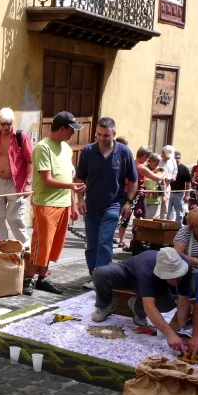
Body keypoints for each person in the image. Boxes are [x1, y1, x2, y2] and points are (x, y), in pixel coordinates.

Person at [24, 111, 85, 295]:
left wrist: (72, 203)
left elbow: (68, 176)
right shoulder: (43, 148)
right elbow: (47, 180)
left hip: (64, 203)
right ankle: (28, 279)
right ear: (62, 128)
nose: (73, 134)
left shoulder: (66, 149)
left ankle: (43, 278)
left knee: (53, 245)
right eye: (71, 130)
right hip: (46, 203)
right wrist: (71, 186)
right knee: (40, 243)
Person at [91, 248, 192, 352]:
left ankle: (137, 307)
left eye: (179, 277)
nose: (176, 281)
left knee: (167, 305)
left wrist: (183, 333)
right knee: (100, 273)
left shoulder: (186, 267)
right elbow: (149, 306)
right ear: (161, 272)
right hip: (129, 274)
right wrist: (170, 335)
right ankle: (105, 305)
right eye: (173, 277)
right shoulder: (147, 269)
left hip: (156, 284)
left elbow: (183, 301)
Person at [76, 117, 138, 286]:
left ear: (114, 134)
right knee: (92, 245)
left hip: (114, 204)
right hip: (92, 204)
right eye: (99, 135)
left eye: (106, 135)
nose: (102, 139)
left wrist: (128, 202)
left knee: (105, 241)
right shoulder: (88, 151)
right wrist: (80, 200)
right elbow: (80, 177)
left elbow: (133, 179)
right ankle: (94, 276)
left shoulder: (124, 152)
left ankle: (101, 279)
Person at [0, 107, 34, 247]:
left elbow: (31, 161)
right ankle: (2, 248)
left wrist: (28, 183)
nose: (6, 127)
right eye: (3, 124)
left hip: (16, 183)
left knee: (14, 219)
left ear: (13, 122)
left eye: (9, 124)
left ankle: (25, 248)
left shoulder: (21, 136)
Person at [116, 146, 163, 248]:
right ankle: (141, 239)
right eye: (147, 158)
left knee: (125, 217)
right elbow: (158, 178)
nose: (147, 161)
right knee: (143, 216)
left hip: (126, 192)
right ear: (144, 156)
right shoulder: (141, 167)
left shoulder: (131, 163)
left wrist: (154, 171)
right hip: (137, 194)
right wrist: (165, 172)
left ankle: (122, 240)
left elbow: (142, 177)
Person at [167, 150, 192, 223]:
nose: (176, 160)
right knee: (168, 212)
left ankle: (179, 227)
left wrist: (187, 195)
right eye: (174, 158)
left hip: (179, 194)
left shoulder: (184, 169)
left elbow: (188, 182)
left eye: (177, 158)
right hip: (169, 192)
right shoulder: (169, 167)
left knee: (179, 213)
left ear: (180, 159)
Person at [143, 153, 166, 219]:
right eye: (155, 160)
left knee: (153, 218)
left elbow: (163, 184)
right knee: (143, 218)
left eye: (158, 161)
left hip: (155, 198)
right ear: (150, 160)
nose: (157, 162)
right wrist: (154, 172)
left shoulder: (160, 170)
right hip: (144, 198)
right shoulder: (144, 169)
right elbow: (142, 179)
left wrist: (164, 195)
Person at [159, 145, 177, 217]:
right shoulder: (158, 160)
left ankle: (163, 219)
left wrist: (174, 177)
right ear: (163, 153)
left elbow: (175, 171)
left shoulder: (172, 160)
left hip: (168, 184)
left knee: (165, 205)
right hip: (159, 184)